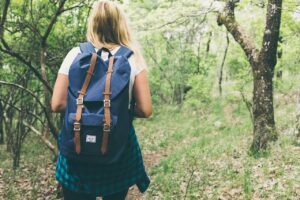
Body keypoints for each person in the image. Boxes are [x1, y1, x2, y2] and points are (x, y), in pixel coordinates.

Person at [51, 1, 152, 199]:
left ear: (93, 24)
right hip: (117, 148)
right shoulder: (133, 58)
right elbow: (146, 109)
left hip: (77, 149)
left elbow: (57, 104)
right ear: (120, 24)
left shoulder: (75, 54)